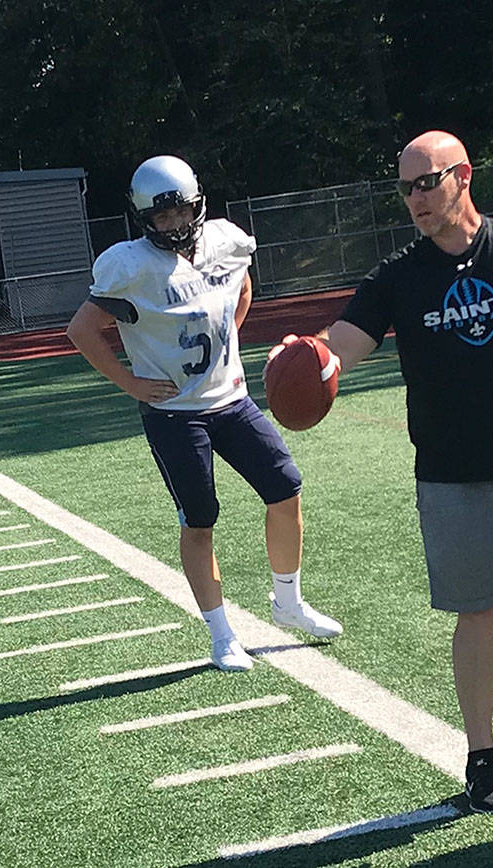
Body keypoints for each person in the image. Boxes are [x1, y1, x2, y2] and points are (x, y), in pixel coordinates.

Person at [269, 131, 493, 812]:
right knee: (478, 615)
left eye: (426, 183)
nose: (415, 199)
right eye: (405, 188)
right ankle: (483, 759)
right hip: (450, 476)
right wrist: (308, 354)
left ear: (463, 177)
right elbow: (341, 345)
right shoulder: (400, 275)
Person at [66, 155, 342, 672]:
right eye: (160, 217)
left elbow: (241, 286)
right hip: (175, 413)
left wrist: (230, 336)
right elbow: (81, 330)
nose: (171, 224)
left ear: (197, 205)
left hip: (231, 399)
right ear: (142, 218)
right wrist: (130, 383)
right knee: (200, 519)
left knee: (286, 487)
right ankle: (221, 635)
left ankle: (288, 602)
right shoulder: (130, 266)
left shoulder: (225, 242)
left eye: (178, 213)